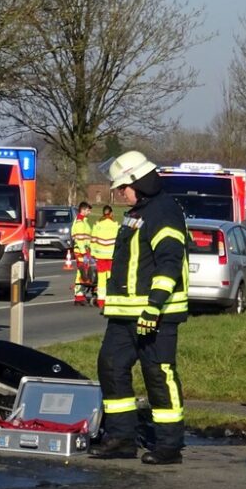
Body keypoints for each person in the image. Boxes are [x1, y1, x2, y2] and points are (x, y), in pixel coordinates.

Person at [89, 151, 189, 465]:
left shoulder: (163, 212)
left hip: (153, 315)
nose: (119, 194)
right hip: (124, 314)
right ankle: (121, 438)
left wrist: (154, 308)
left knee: (158, 374)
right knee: (111, 366)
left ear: (140, 182)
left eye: (123, 188)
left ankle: (169, 445)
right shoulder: (138, 212)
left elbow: (169, 264)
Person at [90, 204, 120, 310]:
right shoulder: (116, 226)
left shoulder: (97, 225)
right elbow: (119, 243)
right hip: (112, 257)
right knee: (110, 278)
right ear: (111, 214)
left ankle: (101, 300)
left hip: (100, 257)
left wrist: (93, 254)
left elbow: (92, 242)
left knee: (101, 280)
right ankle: (110, 299)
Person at [71, 202, 95, 305]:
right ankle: (79, 295)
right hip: (81, 251)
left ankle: (80, 294)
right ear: (83, 210)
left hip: (84, 251)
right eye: (88, 210)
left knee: (84, 271)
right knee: (82, 272)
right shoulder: (80, 223)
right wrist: (84, 252)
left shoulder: (83, 221)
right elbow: (80, 239)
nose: (89, 212)